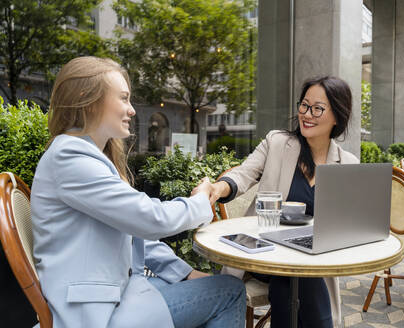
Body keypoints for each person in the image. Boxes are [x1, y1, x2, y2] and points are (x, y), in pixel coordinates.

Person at [30, 56, 246, 328]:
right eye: (123, 98)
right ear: (88, 99)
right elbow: (152, 219)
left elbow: (132, 232)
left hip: (116, 295)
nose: (132, 110)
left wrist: (185, 272)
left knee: (219, 286)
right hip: (94, 314)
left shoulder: (84, 155)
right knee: (228, 291)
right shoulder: (71, 157)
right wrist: (201, 200)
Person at [210, 76, 359, 328]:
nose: (307, 114)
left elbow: (348, 223)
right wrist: (218, 187)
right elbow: (243, 173)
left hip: (312, 258)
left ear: (337, 116)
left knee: (289, 282)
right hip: (265, 250)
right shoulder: (277, 142)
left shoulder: (348, 164)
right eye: (304, 105)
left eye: (317, 108)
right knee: (297, 274)